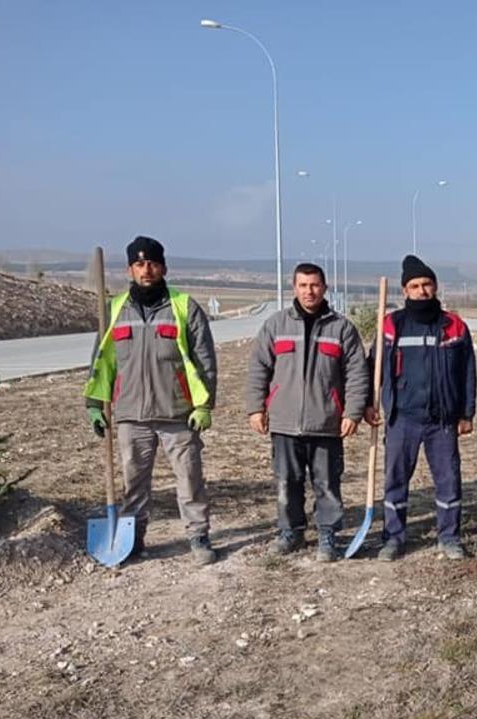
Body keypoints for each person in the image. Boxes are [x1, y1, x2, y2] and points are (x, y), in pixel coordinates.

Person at [83, 236, 218, 565]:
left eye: (153, 263)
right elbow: (103, 361)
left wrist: (204, 404)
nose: (147, 270)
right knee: (134, 483)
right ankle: (133, 539)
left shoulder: (184, 306)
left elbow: (205, 360)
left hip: (178, 413)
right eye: (140, 264)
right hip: (131, 414)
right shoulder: (114, 309)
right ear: (130, 269)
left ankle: (198, 537)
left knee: (189, 479)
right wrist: (94, 404)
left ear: (164, 267)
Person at [245, 263, 370, 561]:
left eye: (314, 285)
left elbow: (357, 374)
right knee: (287, 481)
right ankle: (291, 532)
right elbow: (258, 369)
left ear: (325, 288)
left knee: (327, 483)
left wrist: (352, 413)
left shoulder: (341, 328)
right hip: (285, 423)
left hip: (326, 422)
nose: (309, 291)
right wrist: (255, 408)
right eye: (303, 285)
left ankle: (328, 535)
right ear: (294, 288)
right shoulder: (276, 325)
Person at [364, 256, 477, 562]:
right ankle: (393, 537)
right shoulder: (391, 325)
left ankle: (449, 537)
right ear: (405, 291)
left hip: (442, 420)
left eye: (426, 284)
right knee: (395, 480)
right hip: (403, 418)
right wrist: (368, 405)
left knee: (448, 480)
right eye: (415, 286)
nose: (422, 290)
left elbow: (468, 371)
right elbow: (372, 367)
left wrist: (467, 412)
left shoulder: (453, 326)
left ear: (435, 286)